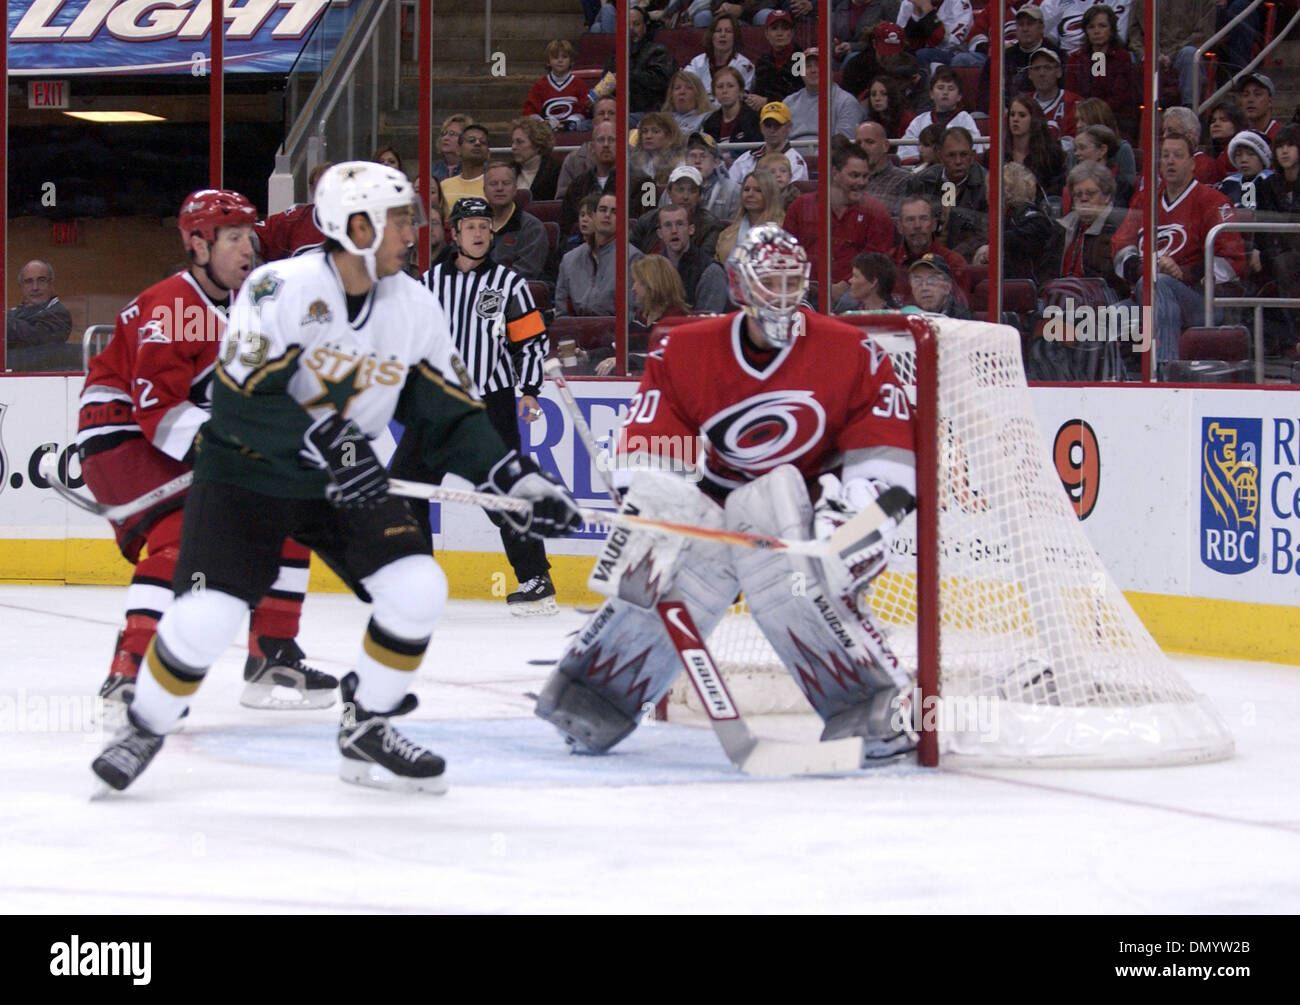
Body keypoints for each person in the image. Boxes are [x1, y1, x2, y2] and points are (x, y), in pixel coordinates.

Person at [90, 163, 583, 795]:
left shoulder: (414, 304)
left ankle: (368, 722)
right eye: (401, 219)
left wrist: (514, 478)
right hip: (247, 473)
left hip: (339, 481)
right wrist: (331, 440)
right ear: (357, 227)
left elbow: (449, 413)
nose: (415, 231)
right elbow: (239, 400)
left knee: (416, 587)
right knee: (209, 614)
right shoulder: (276, 289)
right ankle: (144, 724)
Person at [534, 224, 919, 765]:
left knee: (791, 560)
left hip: (808, 512)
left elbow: (889, 460)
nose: (783, 297)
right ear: (739, 284)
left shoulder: (852, 350)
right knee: (663, 568)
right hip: (716, 506)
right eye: (770, 282)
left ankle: (875, 708)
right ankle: (593, 698)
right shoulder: (686, 349)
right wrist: (646, 511)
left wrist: (856, 528)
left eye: (793, 282)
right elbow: (651, 445)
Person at [77, 189, 335, 724]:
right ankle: (128, 676)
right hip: (119, 434)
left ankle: (272, 657)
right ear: (197, 244)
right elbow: (156, 411)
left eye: (250, 236)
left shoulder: (245, 308)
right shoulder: (173, 303)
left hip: (176, 434)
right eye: (234, 238)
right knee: (177, 536)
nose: (249, 248)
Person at [390, 196, 559, 614]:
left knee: (502, 492)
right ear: (455, 232)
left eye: (485, 225)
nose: (479, 232)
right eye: (471, 226)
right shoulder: (431, 282)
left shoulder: (509, 284)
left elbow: (530, 342)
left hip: (491, 402)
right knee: (404, 485)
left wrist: (530, 390)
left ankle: (536, 579)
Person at [1111, 132, 1246, 369]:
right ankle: (1106, 381)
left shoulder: (1213, 200)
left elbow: (1231, 260)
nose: (1170, 161)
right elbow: (1121, 247)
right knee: (1102, 320)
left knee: (1158, 284)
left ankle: (1165, 372)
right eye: (1165, 156)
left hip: (1200, 302)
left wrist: (1184, 272)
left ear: (1192, 163)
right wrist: (1145, 266)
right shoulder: (1145, 200)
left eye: (1178, 155)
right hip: (1148, 296)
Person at [784, 140, 897, 306]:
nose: (861, 182)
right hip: (804, 290)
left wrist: (843, 287)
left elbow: (876, 265)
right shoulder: (800, 206)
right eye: (854, 175)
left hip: (852, 293)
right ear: (835, 173)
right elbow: (787, 253)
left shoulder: (876, 212)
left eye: (865, 176)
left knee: (849, 302)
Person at [592, 254, 690, 377]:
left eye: (638, 282)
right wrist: (586, 356)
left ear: (653, 285)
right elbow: (617, 350)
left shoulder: (676, 322)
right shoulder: (639, 319)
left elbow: (666, 360)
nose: (633, 288)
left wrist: (627, 361)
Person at [556, 191, 646, 316]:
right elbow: (562, 313)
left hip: (613, 331)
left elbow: (633, 311)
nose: (607, 215)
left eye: (614, 212)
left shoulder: (633, 258)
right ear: (594, 216)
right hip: (576, 331)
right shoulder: (569, 259)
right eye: (603, 210)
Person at [906, 126, 988, 260]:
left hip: (965, 258)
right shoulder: (921, 181)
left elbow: (983, 234)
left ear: (972, 156)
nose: (958, 161)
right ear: (940, 156)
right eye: (951, 155)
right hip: (923, 255)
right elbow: (905, 219)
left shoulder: (986, 185)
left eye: (964, 155)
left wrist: (948, 257)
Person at [1055, 160, 1132, 299]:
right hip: (1061, 298)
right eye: (1078, 194)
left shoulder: (1118, 227)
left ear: (1107, 196)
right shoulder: (1063, 227)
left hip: (1101, 302)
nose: (1084, 199)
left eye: (1090, 193)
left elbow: (1113, 282)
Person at [972, 161, 1055, 283]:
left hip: (1028, 289)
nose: (987, 193)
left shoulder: (1033, 217)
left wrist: (994, 244)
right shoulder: (1004, 217)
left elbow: (1025, 237)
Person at [1064, 5, 1137, 142]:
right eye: (1091, 27)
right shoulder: (1076, 59)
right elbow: (1072, 95)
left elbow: (1118, 97)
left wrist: (1095, 115)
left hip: (1115, 122)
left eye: (1102, 26)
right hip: (1082, 121)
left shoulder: (1122, 57)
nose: (1096, 31)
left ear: (1111, 29)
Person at [631, 164, 726, 261]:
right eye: (680, 190)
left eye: (692, 191)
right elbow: (629, 251)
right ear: (669, 192)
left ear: (699, 195)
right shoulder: (648, 220)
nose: (685, 196)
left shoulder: (711, 226)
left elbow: (703, 262)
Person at [890, 193, 970, 300]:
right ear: (899, 227)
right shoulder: (889, 261)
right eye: (910, 219)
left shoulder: (953, 262)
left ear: (934, 225)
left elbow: (958, 309)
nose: (917, 225)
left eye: (923, 218)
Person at [896, 66, 983, 164]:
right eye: (940, 88)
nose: (945, 92)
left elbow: (975, 150)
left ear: (959, 96)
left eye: (951, 88)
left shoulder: (965, 119)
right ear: (931, 94)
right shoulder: (919, 121)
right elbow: (906, 153)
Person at [782, 48, 865, 149]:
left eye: (818, 65)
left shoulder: (846, 102)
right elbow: (779, 140)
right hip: (790, 162)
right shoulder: (788, 103)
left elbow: (843, 146)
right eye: (808, 66)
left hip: (829, 161)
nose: (813, 70)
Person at [655, 202, 730, 311]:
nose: (674, 231)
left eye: (680, 224)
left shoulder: (711, 271)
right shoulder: (653, 269)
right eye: (668, 225)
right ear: (660, 233)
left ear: (691, 229)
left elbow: (707, 322)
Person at [605, 5, 678, 115]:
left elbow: (660, 82)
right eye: (627, 24)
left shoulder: (658, 51)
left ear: (645, 27)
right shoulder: (616, 54)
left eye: (636, 24)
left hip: (648, 113)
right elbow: (605, 81)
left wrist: (627, 75)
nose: (631, 29)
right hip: (617, 112)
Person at [254, 161, 332, 261]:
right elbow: (255, 237)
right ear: (312, 189)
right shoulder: (294, 219)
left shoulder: (355, 222)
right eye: (322, 186)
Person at [484, 160, 549, 281]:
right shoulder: (471, 226)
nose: (499, 188)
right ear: (484, 190)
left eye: (506, 183)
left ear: (515, 189)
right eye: (493, 183)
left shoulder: (532, 228)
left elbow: (526, 273)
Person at [6, 259, 73, 371]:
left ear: (51, 284)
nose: (35, 287)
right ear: (21, 287)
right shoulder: (12, 314)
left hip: (45, 382)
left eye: (41, 280)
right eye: (28, 281)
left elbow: (36, 338)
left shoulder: (59, 315)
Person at [715, 168, 788, 263]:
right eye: (746, 189)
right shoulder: (727, 233)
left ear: (770, 194)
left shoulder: (784, 230)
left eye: (758, 190)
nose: (750, 194)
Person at [727, 100, 809, 183]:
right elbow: (730, 190)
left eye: (777, 125)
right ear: (761, 127)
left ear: (789, 127)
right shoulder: (746, 159)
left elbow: (793, 194)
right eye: (768, 125)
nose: (772, 130)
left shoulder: (795, 162)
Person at [555, 96, 618, 199]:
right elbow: (562, 201)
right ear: (593, 122)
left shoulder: (634, 157)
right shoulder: (573, 160)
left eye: (611, 113)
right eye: (601, 113)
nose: (606, 117)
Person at [522, 39, 592, 130]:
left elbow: (584, 110)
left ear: (571, 60)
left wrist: (572, 121)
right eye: (555, 57)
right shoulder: (539, 85)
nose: (560, 60)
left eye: (564, 57)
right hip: (546, 130)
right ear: (548, 61)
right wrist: (542, 123)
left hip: (572, 129)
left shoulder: (579, 84)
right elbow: (530, 111)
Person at [1006, 94, 1067, 198]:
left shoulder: (1051, 156)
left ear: (1034, 120)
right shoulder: (996, 154)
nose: (1015, 119)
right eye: (1012, 115)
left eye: (1022, 115)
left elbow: (1054, 194)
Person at [685, 11, 756, 97]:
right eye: (718, 31)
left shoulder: (744, 66)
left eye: (728, 31)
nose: (723, 35)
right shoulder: (697, 62)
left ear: (735, 37)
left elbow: (743, 98)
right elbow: (685, 88)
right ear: (712, 36)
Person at [1024, 46, 1080, 148]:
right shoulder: (1021, 103)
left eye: (1048, 68)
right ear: (1030, 74)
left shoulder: (1074, 103)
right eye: (1036, 68)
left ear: (1059, 72)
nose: (1041, 73)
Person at [685, 130, 743, 223]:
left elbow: (735, 229)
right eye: (692, 156)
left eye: (703, 156)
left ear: (716, 162)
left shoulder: (733, 190)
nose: (697, 161)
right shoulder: (673, 189)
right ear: (685, 161)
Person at [855, 121, 910, 217]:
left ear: (886, 146)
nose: (862, 148)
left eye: (869, 142)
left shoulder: (904, 180)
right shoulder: (848, 180)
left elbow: (900, 222)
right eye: (858, 143)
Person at [749, 9, 802, 106]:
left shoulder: (800, 59)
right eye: (774, 28)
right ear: (766, 34)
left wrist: (768, 101)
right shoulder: (763, 61)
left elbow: (800, 97)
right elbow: (757, 91)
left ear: (792, 33)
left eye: (785, 28)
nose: (779, 33)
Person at [1041, 0, 1133, 56]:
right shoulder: (1051, 3)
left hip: (1110, 55)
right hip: (1069, 62)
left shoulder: (1124, 1)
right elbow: (1045, 44)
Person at [701, 66, 764, 148]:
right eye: (720, 87)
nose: (725, 91)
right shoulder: (710, 122)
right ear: (714, 92)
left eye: (730, 86)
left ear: (741, 90)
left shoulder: (754, 119)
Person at [896, 0, 974, 65]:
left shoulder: (959, 2)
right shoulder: (909, 3)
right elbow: (902, 42)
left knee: (924, 54)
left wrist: (928, 12)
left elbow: (950, 43)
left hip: (952, 54)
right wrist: (916, 15)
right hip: (921, 52)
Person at [441, 124, 491, 216]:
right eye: (471, 140)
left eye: (483, 142)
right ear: (458, 150)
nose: (477, 143)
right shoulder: (444, 186)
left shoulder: (494, 186)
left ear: (488, 153)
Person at [630, 111, 687, 186]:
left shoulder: (680, 165)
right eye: (644, 131)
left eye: (656, 132)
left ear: (669, 136)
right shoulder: (635, 161)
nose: (648, 136)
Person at [511, 117, 561, 201]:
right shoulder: (509, 170)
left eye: (520, 142)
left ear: (537, 144)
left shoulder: (556, 171)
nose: (513, 147)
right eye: (513, 142)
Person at [907, 252, 972, 317]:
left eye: (932, 280)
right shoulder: (908, 314)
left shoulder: (963, 318)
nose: (924, 287)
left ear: (947, 287)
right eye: (917, 281)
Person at [834, 250, 900, 312]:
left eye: (855, 276)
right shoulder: (847, 313)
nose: (850, 280)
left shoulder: (899, 316)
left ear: (873, 282)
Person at [861, 73, 914, 141]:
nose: (877, 99)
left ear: (892, 96)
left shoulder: (907, 120)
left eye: (883, 94)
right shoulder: (868, 122)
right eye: (873, 94)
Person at [663, 71, 716, 137]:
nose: (682, 92)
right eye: (677, 88)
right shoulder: (662, 121)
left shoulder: (708, 118)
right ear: (671, 95)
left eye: (689, 88)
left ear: (698, 94)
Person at [432, 114, 472, 182]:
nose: (445, 138)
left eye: (452, 134)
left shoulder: (476, 169)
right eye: (444, 133)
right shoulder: (433, 170)